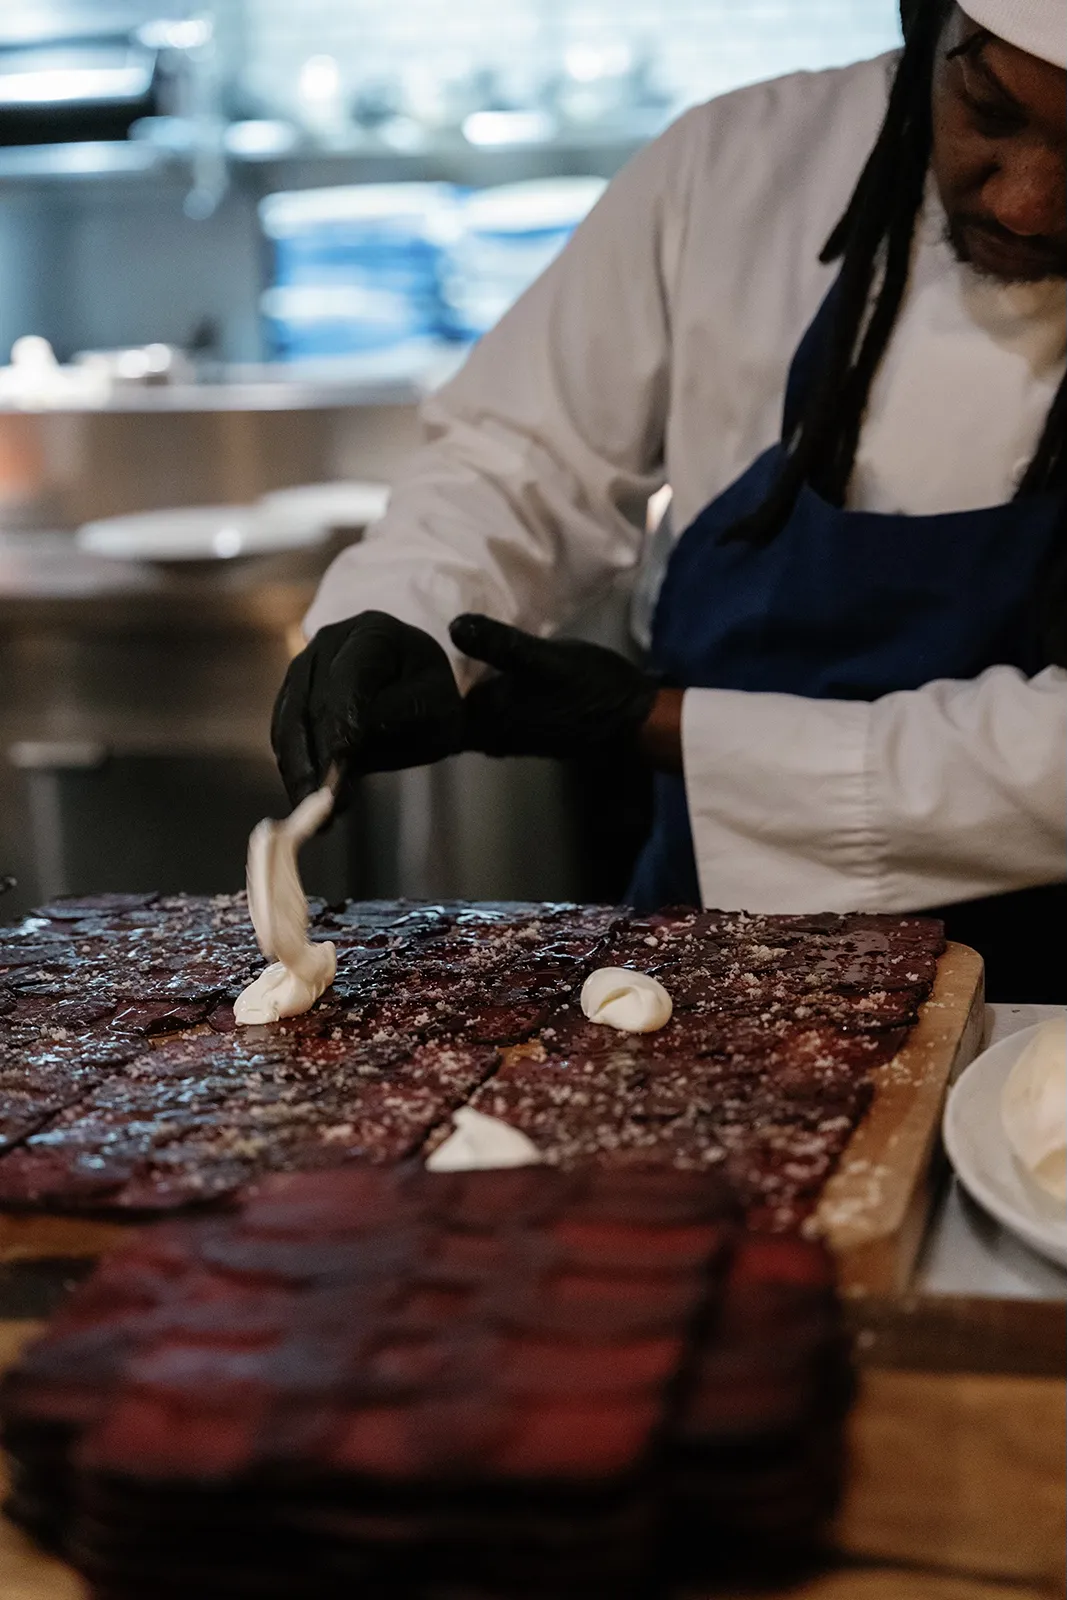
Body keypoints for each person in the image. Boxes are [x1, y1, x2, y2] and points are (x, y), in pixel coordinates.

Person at [272, 0, 1067, 1001]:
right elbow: (518, 451)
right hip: (700, 963)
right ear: (924, 24)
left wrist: (659, 723)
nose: (1030, 198)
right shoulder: (735, 166)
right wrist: (406, 607)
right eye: (988, 110)